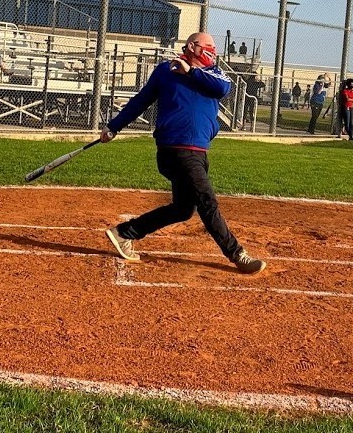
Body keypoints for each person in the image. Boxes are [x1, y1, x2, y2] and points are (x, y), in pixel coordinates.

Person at [101, 32, 266, 275]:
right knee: (207, 201)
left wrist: (190, 71)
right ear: (191, 46)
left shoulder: (213, 73)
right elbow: (141, 101)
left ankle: (125, 232)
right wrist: (113, 126)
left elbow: (222, 89)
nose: (212, 49)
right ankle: (236, 254)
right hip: (177, 148)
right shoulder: (165, 71)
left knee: (183, 209)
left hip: (197, 149)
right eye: (207, 45)